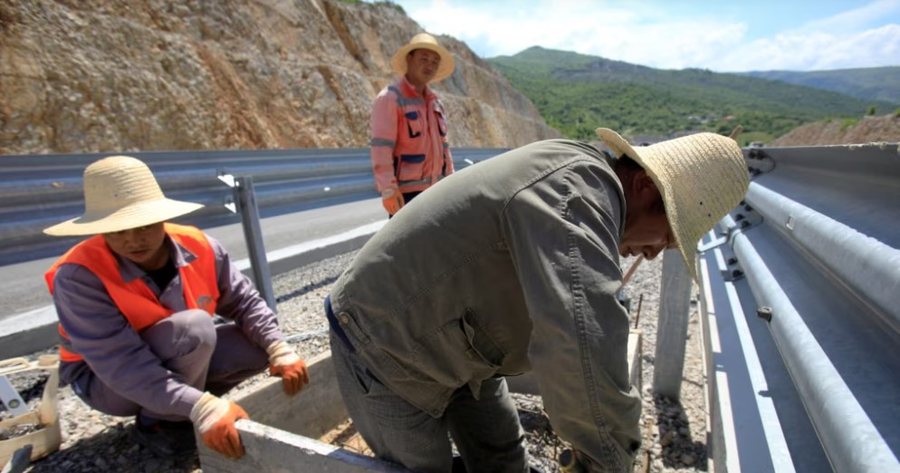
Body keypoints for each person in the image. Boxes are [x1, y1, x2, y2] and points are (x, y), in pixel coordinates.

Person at [324, 129, 749, 472]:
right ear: (642, 185)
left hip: (459, 344)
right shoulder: (575, 194)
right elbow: (582, 337)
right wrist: (611, 457)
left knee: (503, 456)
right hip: (382, 343)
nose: (655, 252)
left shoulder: (585, 182)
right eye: (669, 234)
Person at [42, 156, 310, 460]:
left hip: (171, 353)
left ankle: (178, 406)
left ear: (161, 219)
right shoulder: (79, 276)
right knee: (194, 330)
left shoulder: (199, 246)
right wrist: (202, 407)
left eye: (143, 225)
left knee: (256, 346)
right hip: (103, 379)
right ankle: (160, 423)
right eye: (118, 231)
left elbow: (244, 302)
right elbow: (122, 363)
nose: (133, 240)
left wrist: (278, 347)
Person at [370, 32, 456, 216]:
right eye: (424, 58)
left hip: (437, 189)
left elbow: (444, 147)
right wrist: (388, 190)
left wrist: (452, 182)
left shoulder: (436, 103)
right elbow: (381, 149)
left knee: (436, 244)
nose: (429, 65)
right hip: (407, 194)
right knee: (409, 245)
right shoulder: (390, 98)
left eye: (434, 61)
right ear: (409, 59)